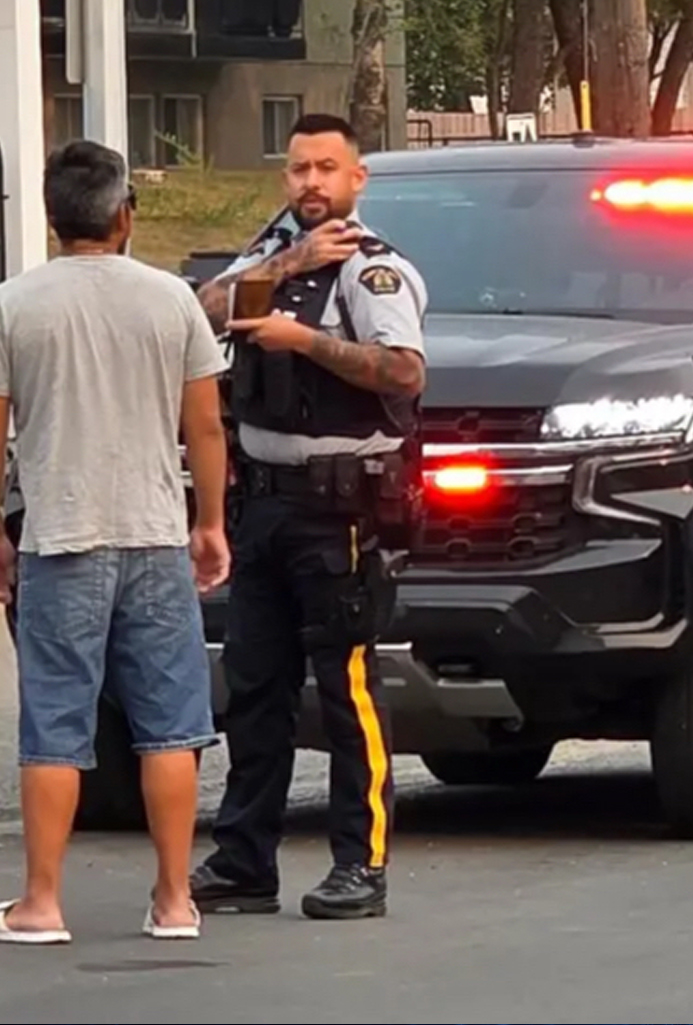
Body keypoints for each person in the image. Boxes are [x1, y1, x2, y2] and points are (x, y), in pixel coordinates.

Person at [0, 138, 232, 945]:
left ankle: (41, 903)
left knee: (55, 722)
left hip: (61, 536)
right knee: (171, 724)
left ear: (54, 220)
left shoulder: (13, 305)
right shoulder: (173, 301)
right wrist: (209, 522)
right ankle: (175, 899)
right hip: (154, 534)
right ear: (125, 216)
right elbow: (205, 426)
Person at [188, 113, 429, 921]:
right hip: (264, 504)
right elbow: (204, 312)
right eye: (299, 169)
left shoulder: (373, 271)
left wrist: (305, 342)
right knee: (255, 688)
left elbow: (404, 371)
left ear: (357, 178)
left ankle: (361, 864)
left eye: (327, 168)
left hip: (341, 510)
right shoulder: (272, 253)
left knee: (346, 690)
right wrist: (285, 263)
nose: (312, 183)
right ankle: (244, 863)